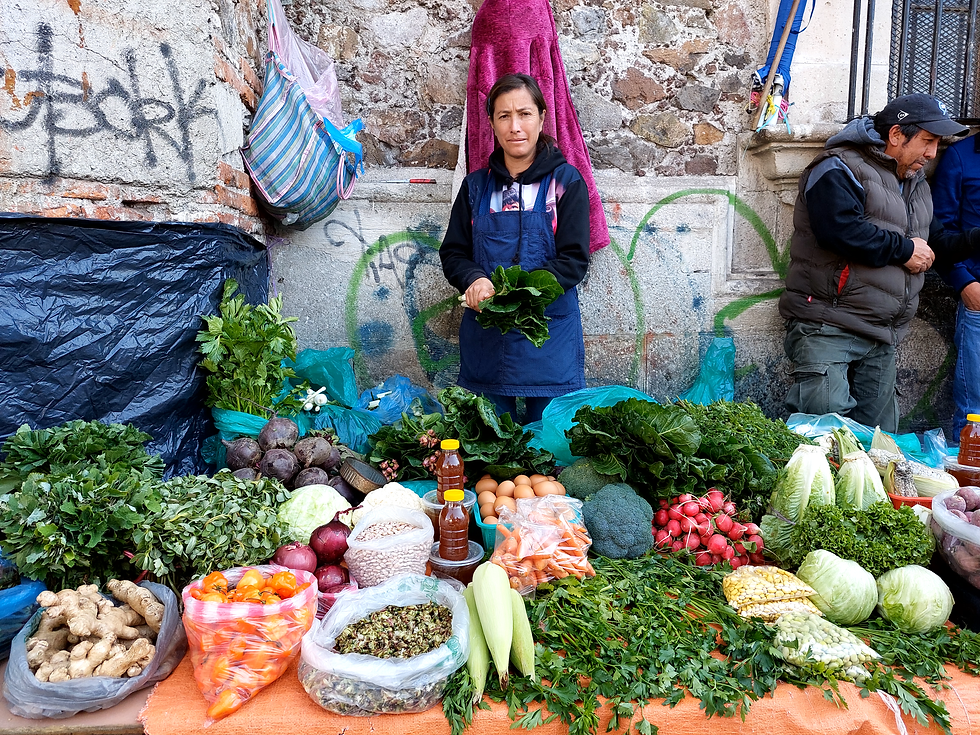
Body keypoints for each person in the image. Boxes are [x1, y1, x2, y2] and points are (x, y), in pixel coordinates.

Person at [778, 93, 980, 433]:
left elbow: (934, 243)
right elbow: (839, 230)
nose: (932, 154)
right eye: (927, 142)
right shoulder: (838, 167)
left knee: (880, 446)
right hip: (829, 325)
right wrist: (903, 250)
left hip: (881, 335)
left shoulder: (913, 182)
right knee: (824, 436)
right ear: (897, 135)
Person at [440, 73, 590, 423]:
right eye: (504, 116)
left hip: (547, 336)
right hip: (487, 336)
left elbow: (573, 261)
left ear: (541, 117)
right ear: (491, 123)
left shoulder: (566, 183)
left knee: (547, 451)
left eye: (524, 114)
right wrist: (474, 279)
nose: (515, 126)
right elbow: (454, 253)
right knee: (492, 451)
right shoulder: (476, 188)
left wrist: (517, 294)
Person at [932, 132, 980, 437]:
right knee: (975, 409)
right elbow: (939, 230)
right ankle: (969, 479)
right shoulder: (960, 156)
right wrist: (965, 283)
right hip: (979, 297)